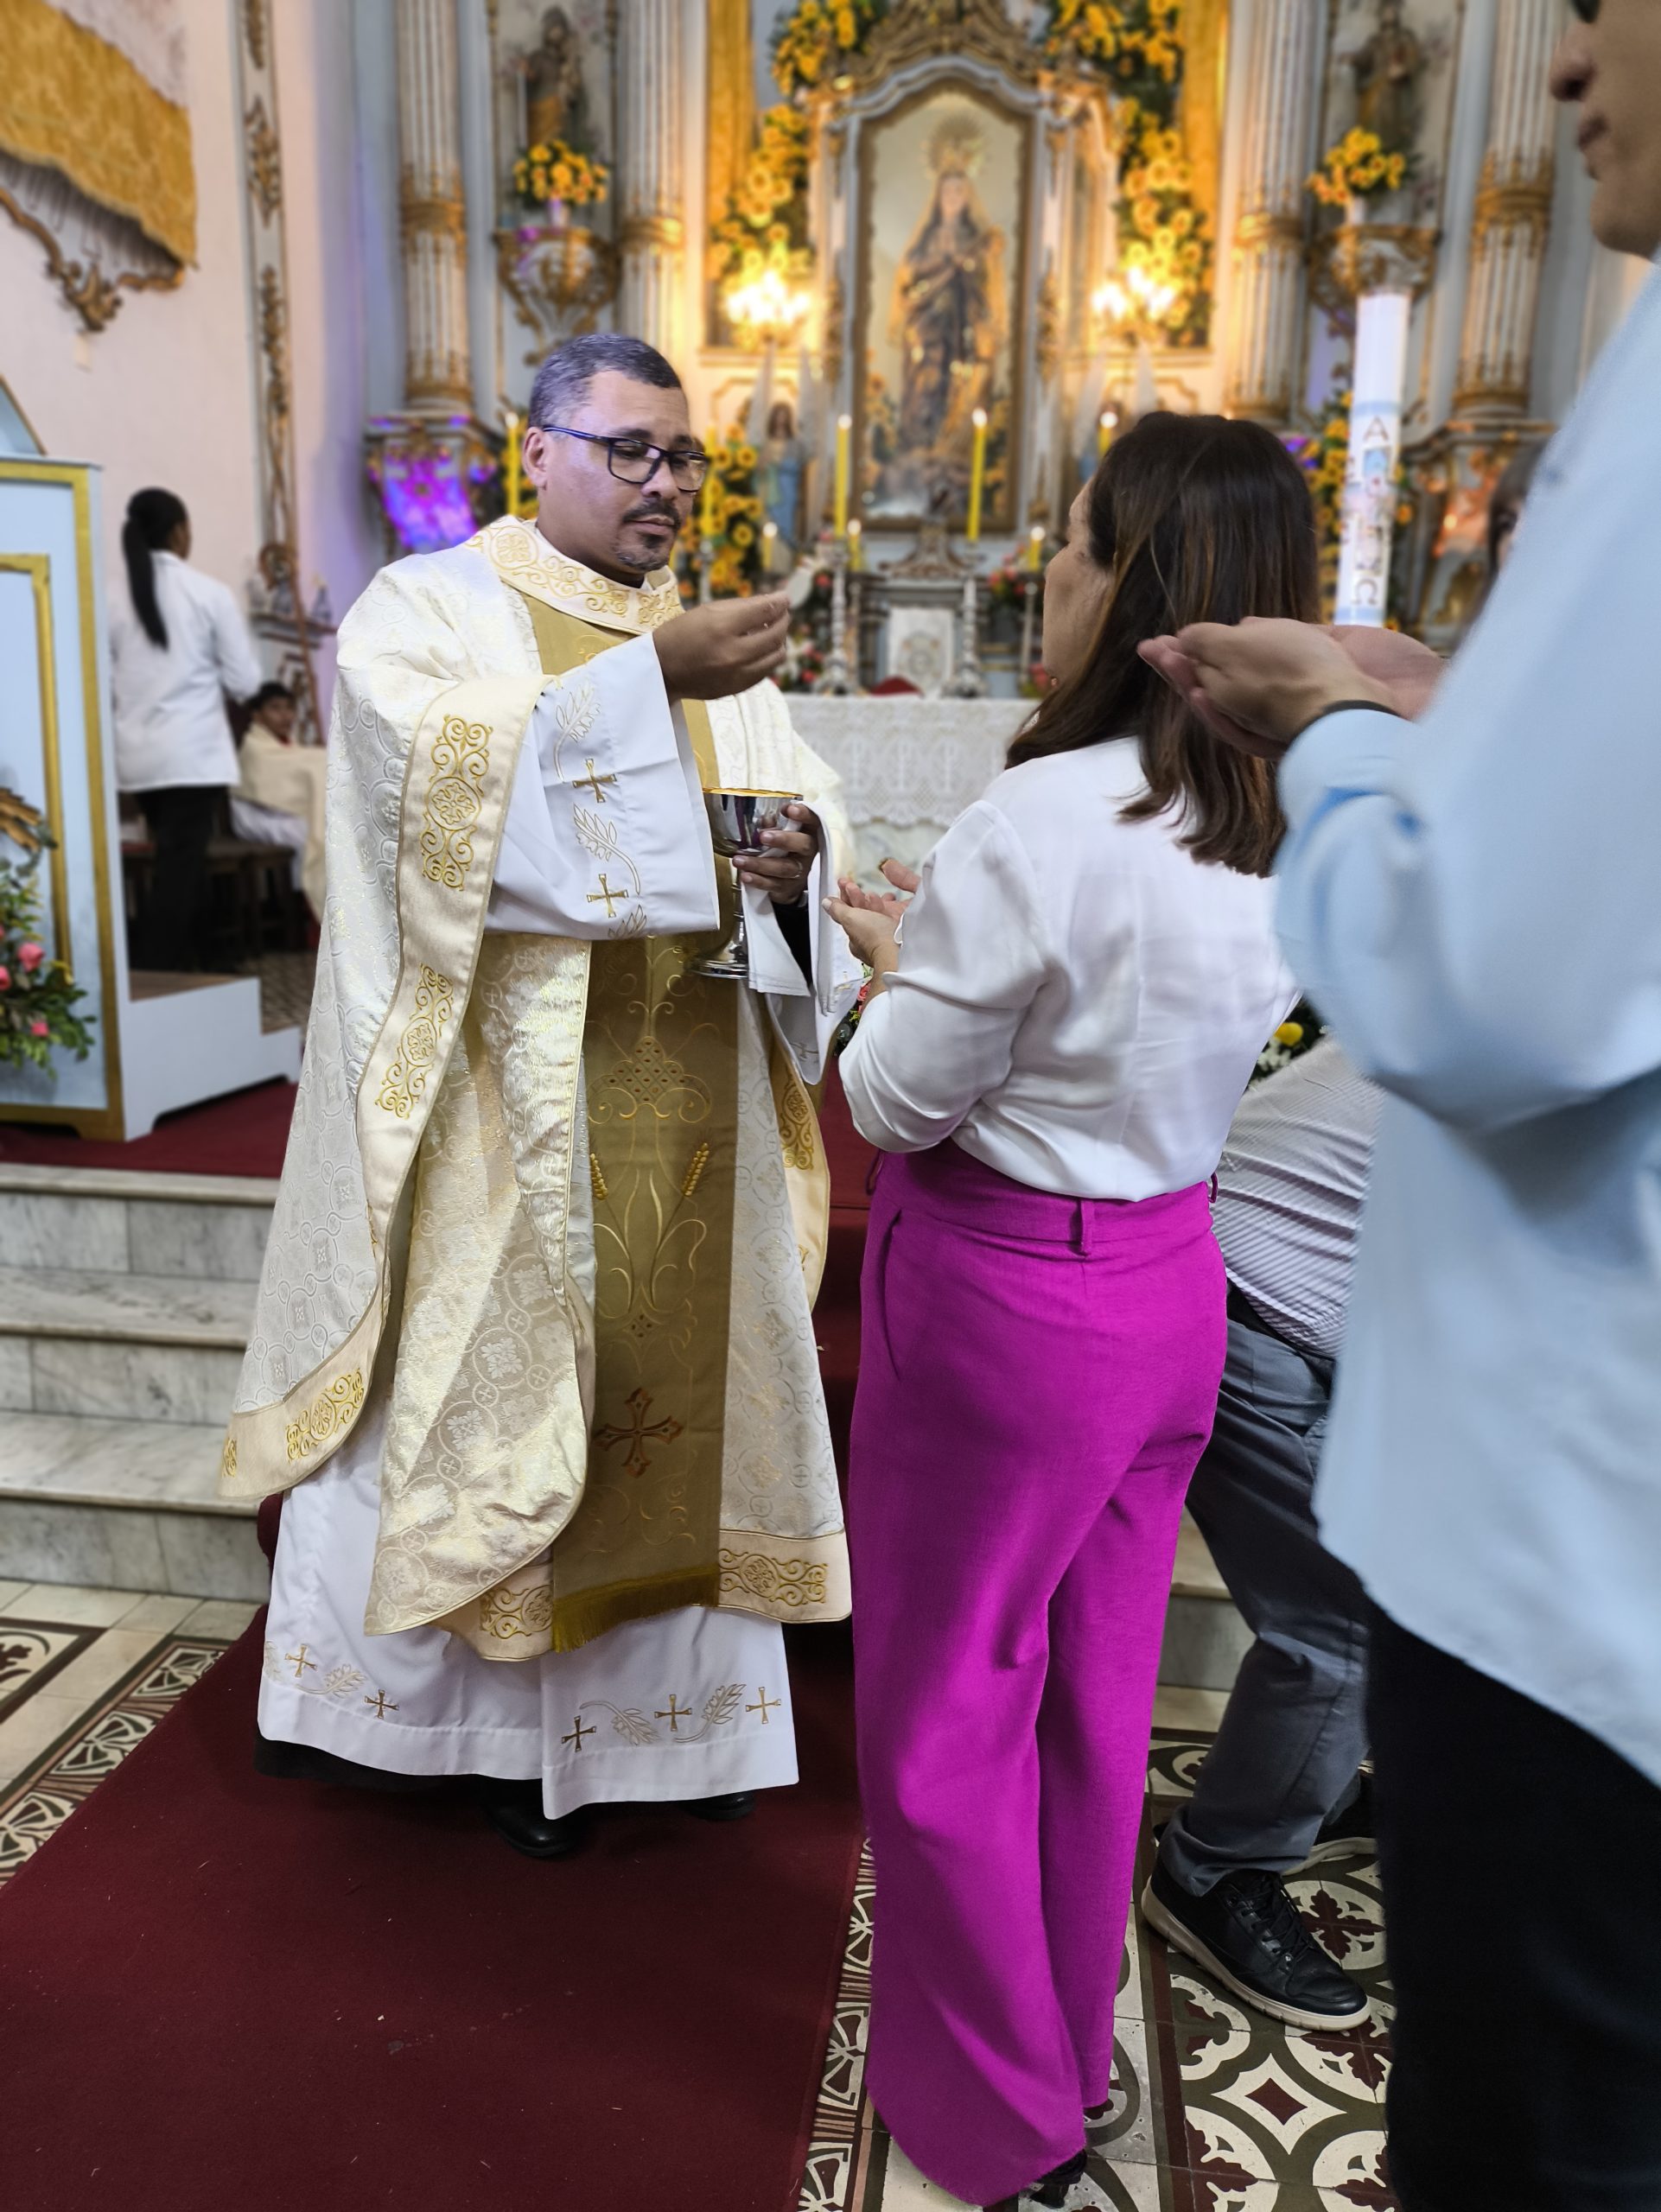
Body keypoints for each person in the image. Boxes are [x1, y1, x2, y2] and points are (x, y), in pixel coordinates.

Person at [1138, 9, 1661, 2203]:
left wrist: (1337, 738)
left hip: (1571, 1561)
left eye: (1601, 2)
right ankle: (1241, 1835)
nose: (1565, 64)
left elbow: (1471, 978)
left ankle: (1236, 1838)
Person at [223, 332, 861, 1860]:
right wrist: (648, 685)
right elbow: (417, 802)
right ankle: (477, 1738)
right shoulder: (431, 606)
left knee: (666, 1403)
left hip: (690, 1107)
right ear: (538, 452)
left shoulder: (703, 638)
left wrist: (795, 870)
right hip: (501, 1122)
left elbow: (794, 810)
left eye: (681, 456)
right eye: (629, 450)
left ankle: (665, 1733)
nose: (664, 484)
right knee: (500, 1410)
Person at [824, 414, 1311, 2211]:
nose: (1053, 566)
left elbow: (896, 1105)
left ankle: (994, 2110)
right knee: (1095, 1697)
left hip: (1009, 1295)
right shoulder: (1282, 815)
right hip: (1174, 1280)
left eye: (1083, 540)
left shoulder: (1037, 813)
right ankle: (1065, 2040)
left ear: (1147, 586)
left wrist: (889, 975)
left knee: (947, 1708)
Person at [1142, 1037, 1380, 2031]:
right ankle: (1212, 1871)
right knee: (1351, 1616)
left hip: (1283, 1299)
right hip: (1248, 1313)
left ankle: (1309, 1783)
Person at [111, 488, 263, 970]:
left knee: (180, 858)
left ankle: (208, 958)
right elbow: (245, 682)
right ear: (179, 532)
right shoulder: (208, 593)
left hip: (137, 756)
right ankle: (157, 970)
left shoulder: (110, 596)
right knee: (180, 865)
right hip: (193, 754)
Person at [230, 681, 328, 923]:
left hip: (283, 812)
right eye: (275, 708)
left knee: (333, 832)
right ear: (257, 715)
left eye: (289, 708)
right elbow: (267, 785)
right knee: (315, 838)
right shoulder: (254, 746)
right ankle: (308, 914)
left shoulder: (289, 744)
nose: (285, 716)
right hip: (257, 815)